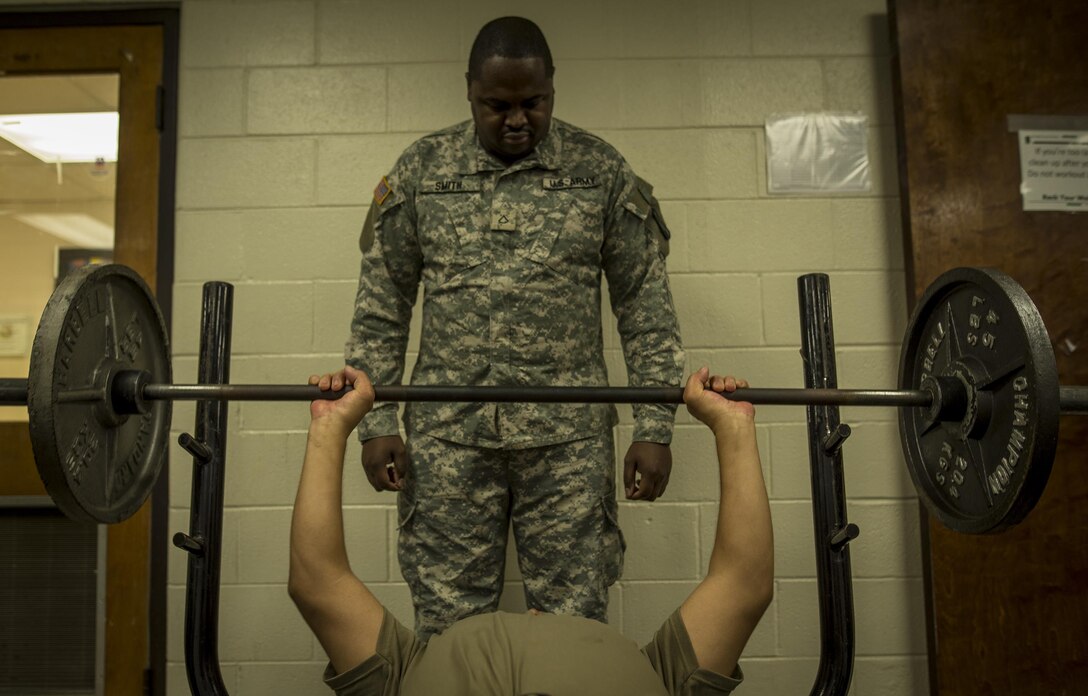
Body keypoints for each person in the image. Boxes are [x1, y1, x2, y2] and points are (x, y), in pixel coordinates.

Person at [346, 16, 684, 639]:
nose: (517, 120)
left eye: (534, 102)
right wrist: (376, 420)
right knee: (449, 634)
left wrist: (655, 424)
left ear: (553, 88)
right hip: (448, 440)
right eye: (495, 105)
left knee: (574, 632)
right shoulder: (423, 169)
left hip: (568, 444)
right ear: (468, 91)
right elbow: (382, 305)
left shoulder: (600, 171)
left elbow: (644, 307)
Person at [290, 366, 773, 695]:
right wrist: (733, 430)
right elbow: (743, 584)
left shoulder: (406, 674)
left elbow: (318, 583)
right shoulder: (662, 678)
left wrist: (329, 429)